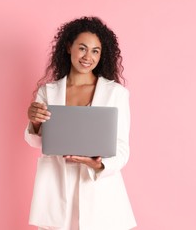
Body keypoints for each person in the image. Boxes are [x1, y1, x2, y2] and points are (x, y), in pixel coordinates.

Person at [25, 16, 136, 230]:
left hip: (99, 192)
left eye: (95, 51)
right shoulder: (48, 92)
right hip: (58, 189)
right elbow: (36, 142)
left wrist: (99, 164)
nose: (88, 57)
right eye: (82, 48)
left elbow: (122, 148)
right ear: (69, 47)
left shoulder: (116, 94)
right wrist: (34, 122)